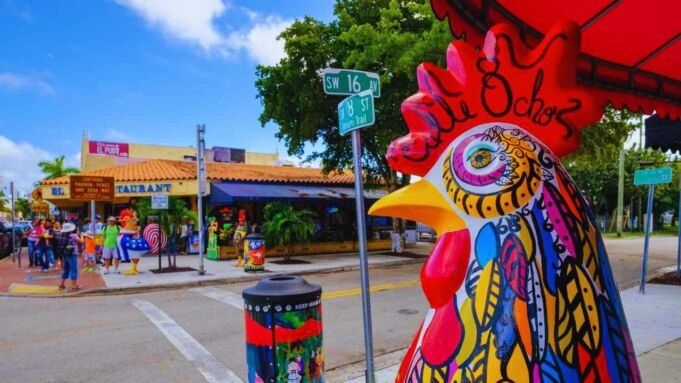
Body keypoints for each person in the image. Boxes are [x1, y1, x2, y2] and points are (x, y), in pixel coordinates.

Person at [58, 223, 82, 292]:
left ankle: (62, 284)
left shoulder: (62, 235)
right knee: (74, 270)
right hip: (72, 254)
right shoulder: (74, 235)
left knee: (66, 269)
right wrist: (82, 236)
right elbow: (81, 242)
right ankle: (74, 286)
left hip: (65, 254)